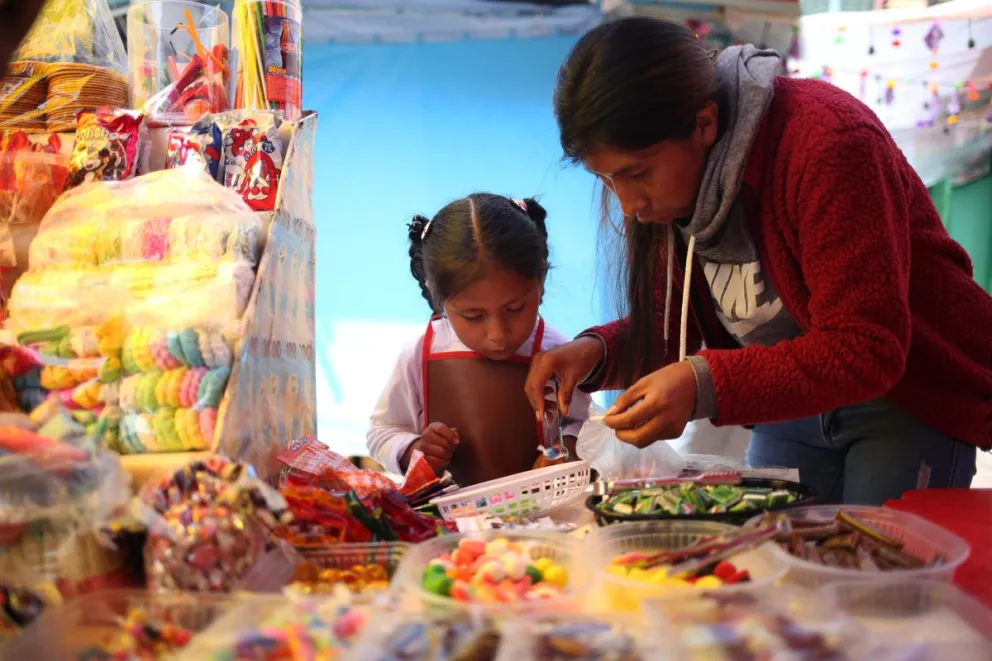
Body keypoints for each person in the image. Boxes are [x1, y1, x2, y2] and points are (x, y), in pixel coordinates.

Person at [525, 17, 992, 505]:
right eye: (607, 179)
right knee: (773, 548)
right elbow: (673, 325)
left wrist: (703, 383)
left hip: (905, 400)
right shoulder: (671, 187)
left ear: (704, 124)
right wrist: (594, 353)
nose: (627, 205)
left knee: (883, 550)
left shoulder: (829, 143)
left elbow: (866, 346)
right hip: (794, 406)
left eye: (637, 174)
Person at [368, 193, 591, 486]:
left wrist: (561, 451)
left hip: (544, 509)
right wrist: (415, 450)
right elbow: (382, 432)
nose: (497, 335)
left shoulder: (557, 351)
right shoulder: (420, 351)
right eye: (473, 316)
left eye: (515, 309)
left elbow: (586, 427)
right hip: (450, 512)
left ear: (541, 281)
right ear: (437, 297)